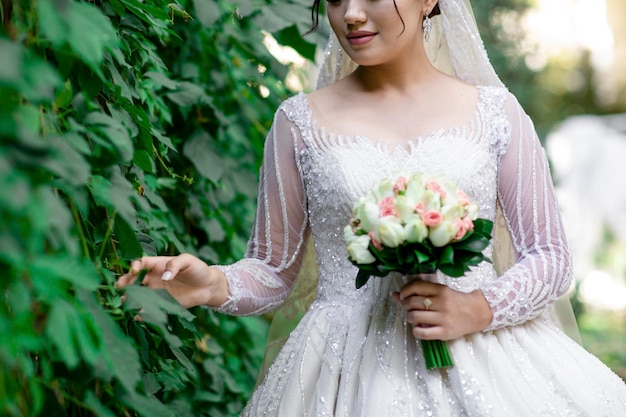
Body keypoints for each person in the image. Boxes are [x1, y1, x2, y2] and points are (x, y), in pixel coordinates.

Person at [117, 0, 626, 415]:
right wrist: (212, 283)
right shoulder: (297, 123)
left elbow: (550, 257)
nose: (351, 15)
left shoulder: (496, 113)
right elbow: (274, 271)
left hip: (489, 354)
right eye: (335, 0)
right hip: (340, 373)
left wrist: (477, 307)